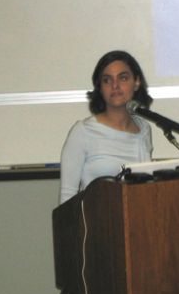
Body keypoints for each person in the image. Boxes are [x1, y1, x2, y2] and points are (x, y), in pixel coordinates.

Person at [59, 50, 154, 203]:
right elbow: (67, 196)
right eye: (107, 80)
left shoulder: (144, 130)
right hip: (97, 222)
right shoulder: (83, 131)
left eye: (123, 78)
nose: (115, 86)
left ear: (136, 82)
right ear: (100, 88)